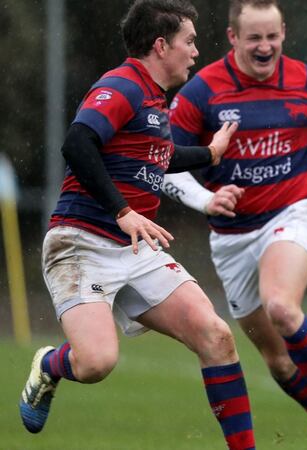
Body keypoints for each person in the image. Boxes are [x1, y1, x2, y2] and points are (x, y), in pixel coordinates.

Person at [18, 1, 257, 449]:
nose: (195, 51)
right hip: (81, 244)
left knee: (216, 336)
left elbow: (162, 157)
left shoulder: (152, 100)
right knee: (97, 363)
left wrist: (211, 153)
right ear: (161, 45)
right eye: (188, 41)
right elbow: (78, 142)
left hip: (132, 248)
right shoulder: (123, 85)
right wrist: (122, 210)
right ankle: (50, 366)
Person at [161, 1, 307, 448]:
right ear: (233, 38)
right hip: (232, 238)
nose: (265, 47)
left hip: (292, 214)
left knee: (282, 308)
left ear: (284, 33)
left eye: (272, 36)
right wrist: (205, 199)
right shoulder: (202, 93)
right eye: (254, 37)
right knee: (278, 363)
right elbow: (163, 164)